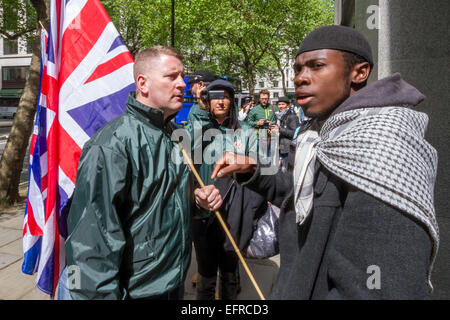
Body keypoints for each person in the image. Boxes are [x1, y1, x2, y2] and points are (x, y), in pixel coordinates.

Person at [211, 25, 439, 299]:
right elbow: (306, 193)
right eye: (298, 69)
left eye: (317, 66)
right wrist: (254, 171)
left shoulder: (384, 147)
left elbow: (379, 289)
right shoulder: (324, 132)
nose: (300, 79)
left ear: (359, 72)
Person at [65, 46, 223, 300]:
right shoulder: (111, 145)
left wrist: (197, 201)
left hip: (173, 282)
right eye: (172, 77)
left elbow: (161, 203)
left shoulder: (172, 135)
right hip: (137, 291)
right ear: (143, 83)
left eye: (182, 76)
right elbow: (90, 244)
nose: (182, 84)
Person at [185, 79, 266, 300]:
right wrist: (201, 116)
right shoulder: (198, 127)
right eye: (214, 96)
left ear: (232, 100)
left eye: (226, 96)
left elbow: (260, 166)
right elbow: (183, 152)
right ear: (206, 101)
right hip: (203, 211)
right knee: (205, 272)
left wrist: (247, 164)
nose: (221, 101)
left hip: (234, 212)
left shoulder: (246, 131)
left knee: (230, 272)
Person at [271, 96, 300, 170]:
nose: (280, 106)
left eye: (283, 104)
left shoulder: (292, 116)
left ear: (288, 105)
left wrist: (280, 129)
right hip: (279, 147)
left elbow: (295, 133)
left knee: (287, 171)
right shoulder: (278, 116)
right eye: (279, 104)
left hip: (288, 149)